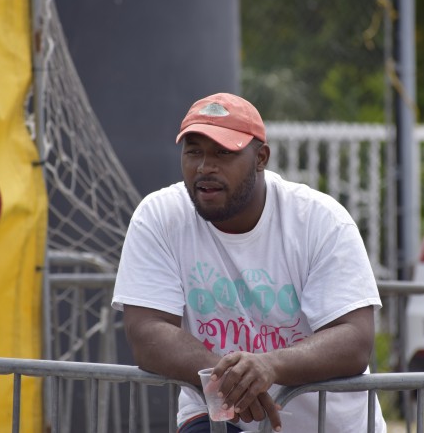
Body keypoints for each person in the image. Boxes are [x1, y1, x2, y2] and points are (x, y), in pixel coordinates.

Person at [112, 92, 386, 433]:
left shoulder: (320, 219)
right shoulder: (159, 216)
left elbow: (355, 340)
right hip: (220, 418)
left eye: (223, 152)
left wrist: (270, 366)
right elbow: (147, 330)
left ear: (261, 158)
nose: (204, 167)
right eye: (194, 151)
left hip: (328, 425)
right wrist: (235, 382)